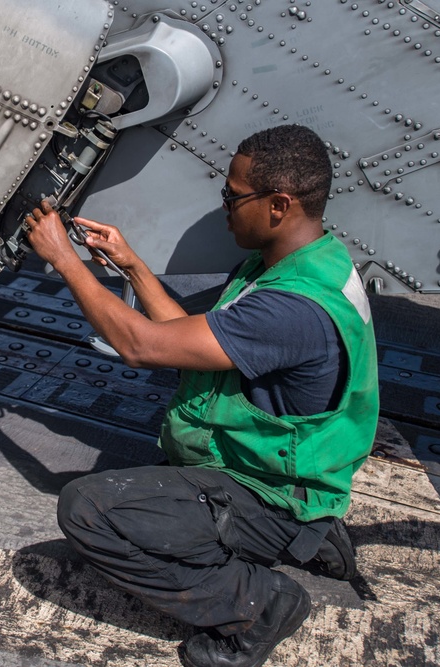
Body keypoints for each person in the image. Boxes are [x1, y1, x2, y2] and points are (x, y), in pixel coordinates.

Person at [23, 124, 378, 667]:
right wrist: (132, 265)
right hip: (284, 470)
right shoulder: (300, 265)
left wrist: (63, 260)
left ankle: (257, 605)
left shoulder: (292, 310)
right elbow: (194, 340)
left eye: (232, 197)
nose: (224, 208)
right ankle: (309, 536)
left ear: (279, 204)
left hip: (271, 490)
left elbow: (141, 346)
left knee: (89, 510)